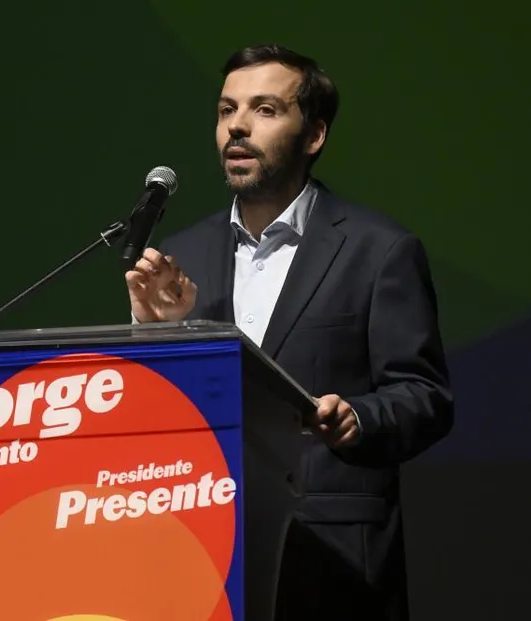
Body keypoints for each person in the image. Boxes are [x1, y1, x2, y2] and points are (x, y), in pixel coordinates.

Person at [126, 44, 454, 621]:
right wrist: (154, 335)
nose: (238, 126)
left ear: (314, 135)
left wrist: (359, 418)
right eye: (226, 110)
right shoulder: (182, 256)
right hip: (204, 551)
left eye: (265, 109)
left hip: (332, 564)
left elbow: (426, 396)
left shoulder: (379, 250)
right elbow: (156, 415)